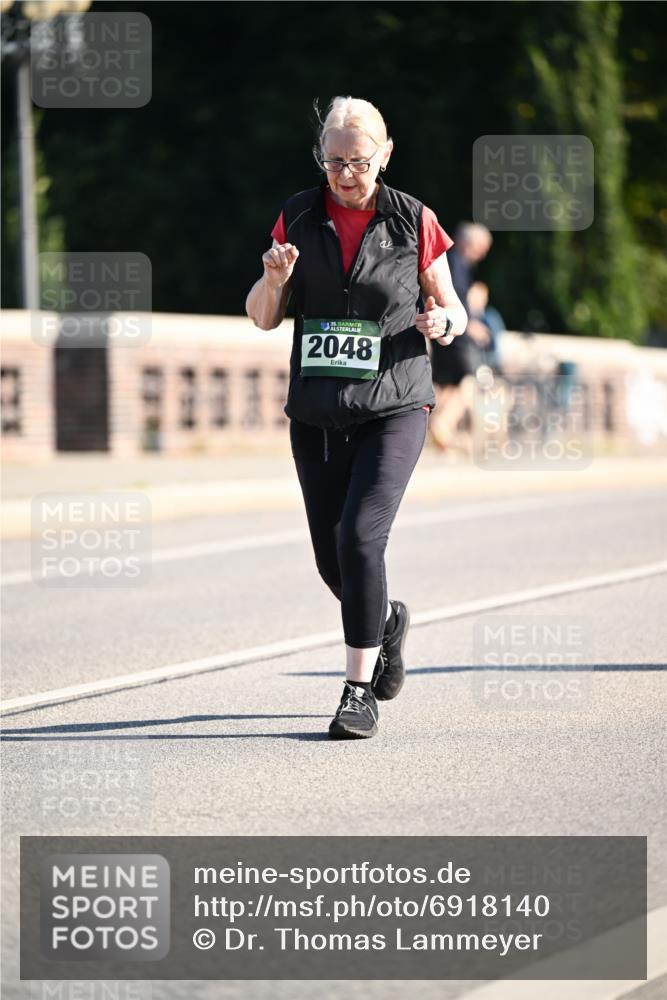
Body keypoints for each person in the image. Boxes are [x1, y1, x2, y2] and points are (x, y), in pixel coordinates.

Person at [245, 96, 467, 740]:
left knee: (360, 538)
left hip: (395, 403)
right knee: (330, 561)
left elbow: (453, 310)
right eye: (333, 159)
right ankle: (386, 621)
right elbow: (262, 316)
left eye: (358, 161)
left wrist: (440, 321)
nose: (344, 173)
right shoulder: (298, 214)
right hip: (317, 413)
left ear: (385, 154)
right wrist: (273, 277)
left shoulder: (413, 221)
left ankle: (355, 689)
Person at [429, 223, 492, 450]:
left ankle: (437, 426)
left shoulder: (453, 263)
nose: (483, 253)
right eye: (481, 246)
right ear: (467, 242)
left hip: (445, 329)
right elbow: (453, 299)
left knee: (446, 384)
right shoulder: (455, 264)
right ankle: (442, 425)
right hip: (455, 333)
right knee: (468, 381)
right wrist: (471, 323)